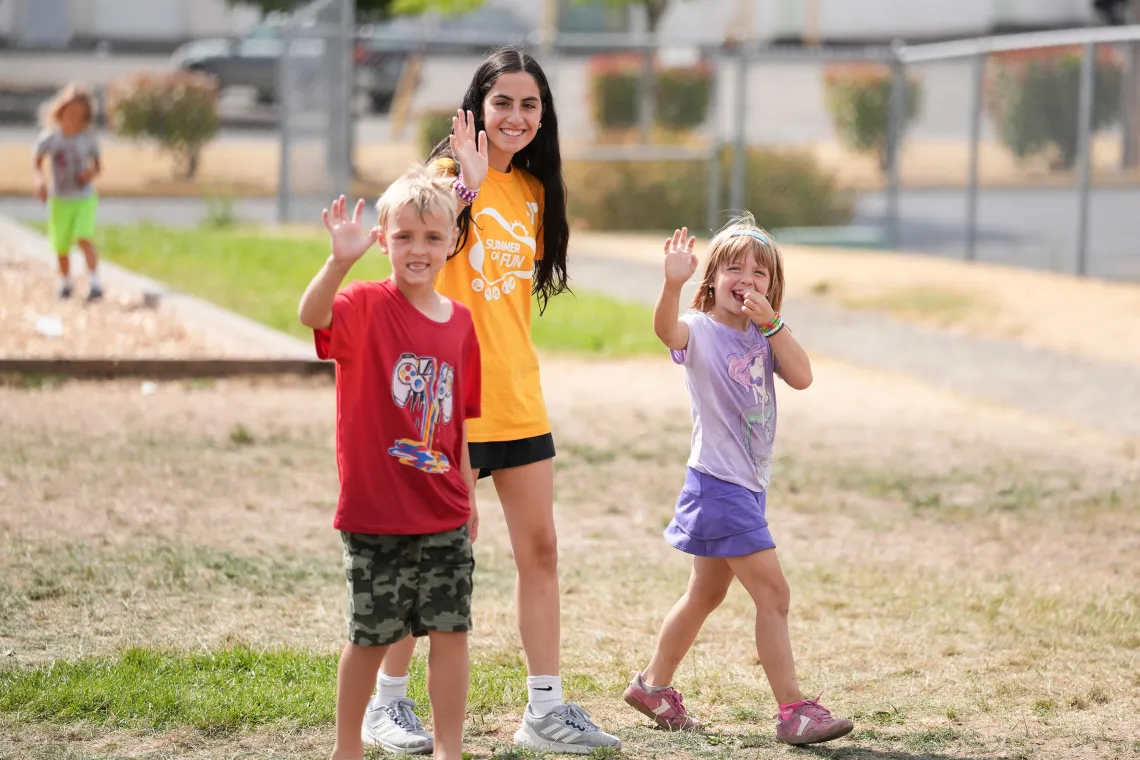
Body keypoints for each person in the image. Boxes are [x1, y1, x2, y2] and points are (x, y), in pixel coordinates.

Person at [360, 47, 622, 755]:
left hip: (516, 398)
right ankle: (387, 705)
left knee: (541, 549)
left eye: (529, 104)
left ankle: (545, 710)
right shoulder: (443, 180)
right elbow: (412, 269)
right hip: (445, 406)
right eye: (502, 102)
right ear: (476, 110)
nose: (516, 116)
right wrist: (465, 191)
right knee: (439, 556)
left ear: (543, 116)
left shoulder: (535, 195)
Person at [620, 217, 855, 746]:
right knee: (774, 593)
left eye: (759, 271)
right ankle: (793, 710)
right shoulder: (700, 330)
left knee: (705, 594)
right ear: (712, 279)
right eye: (734, 267)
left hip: (745, 485)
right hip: (718, 485)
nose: (746, 277)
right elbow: (666, 331)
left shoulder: (764, 334)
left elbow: (803, 376)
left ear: (773, 286)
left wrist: (774, 324)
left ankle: (653, 686)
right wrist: (670, 283)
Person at [298, 166, 482, 760]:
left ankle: (449, 750)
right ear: (383, 240)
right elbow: (312, 317)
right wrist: (337, 263)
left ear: (452, 242)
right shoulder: (363, 304)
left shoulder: (460, 323)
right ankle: (345, 749)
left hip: (444, 512)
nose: (418, 250)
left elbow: (462, 423)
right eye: (403, 236)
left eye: (432, 237)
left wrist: (470, 495)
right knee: (372, 637)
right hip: (375, 514)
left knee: (451, 635)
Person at [33, 83, 103, 301]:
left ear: (85, 118)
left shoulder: (87, 138)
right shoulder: (51, 138)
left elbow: (97, 167)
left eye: (78, 116)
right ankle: (65, 283)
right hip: (60, 199)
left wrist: (89, 174)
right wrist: (40, 181)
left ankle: (94, 282)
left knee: (84, 237)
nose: (72, 119)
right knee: (61, 244)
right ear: (60, 111)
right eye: (69, 113)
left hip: (84, 197)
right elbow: (37, 161)